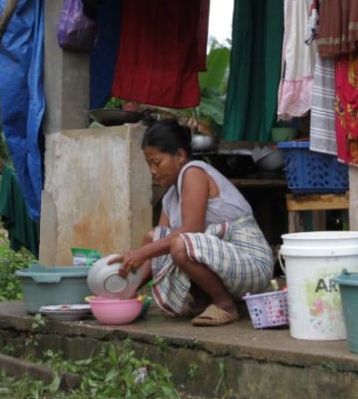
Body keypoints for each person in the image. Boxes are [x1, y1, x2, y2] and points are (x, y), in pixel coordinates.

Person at [111, 118, 274, 326]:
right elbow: (160, 245)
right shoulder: (171, 195)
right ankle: (204, 301)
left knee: (180, 245)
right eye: (148, 164)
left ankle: (226, 306)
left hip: (253, 264)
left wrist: (140, 253)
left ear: (179, 155)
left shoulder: (193, 172)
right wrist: (130, 290)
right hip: (229, 266)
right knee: (155, 237)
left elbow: (191, 230)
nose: (152, 170)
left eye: (157, 162)